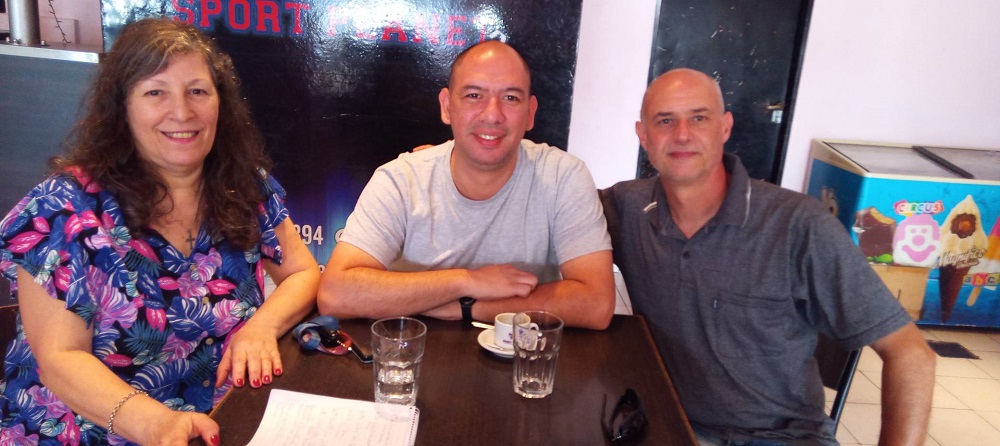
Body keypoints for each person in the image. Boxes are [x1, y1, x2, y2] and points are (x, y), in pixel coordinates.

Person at [0, 18, 320, 445]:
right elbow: (60, 359)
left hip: (219, 418)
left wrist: (261, 326)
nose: (182, 112)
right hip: (91, 431)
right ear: (123, 107)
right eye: (156, 92)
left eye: (197, 91)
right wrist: (156, 423)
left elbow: (302, 272)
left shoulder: (243, 184)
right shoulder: (63, 208)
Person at [601, 68, 936, 445]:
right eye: (665, 120)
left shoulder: (799, 226)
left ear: (725, 127)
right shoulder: (629, 207)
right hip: (669, 424)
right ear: (643, 134)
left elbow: (911, 354)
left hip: (779, 437)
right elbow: (559, 203)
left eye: (699, 118)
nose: (682, 134)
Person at [317, 41, 614, 329]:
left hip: (523, 355)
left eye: (511, 98)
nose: (492, 114)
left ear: (530, 113)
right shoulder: (401, 179)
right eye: (474, 95)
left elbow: (596, 303)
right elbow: (336, 294)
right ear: (447, 106)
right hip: (413, 350)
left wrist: (467, 308)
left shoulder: (563, 176)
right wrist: (467, 281)